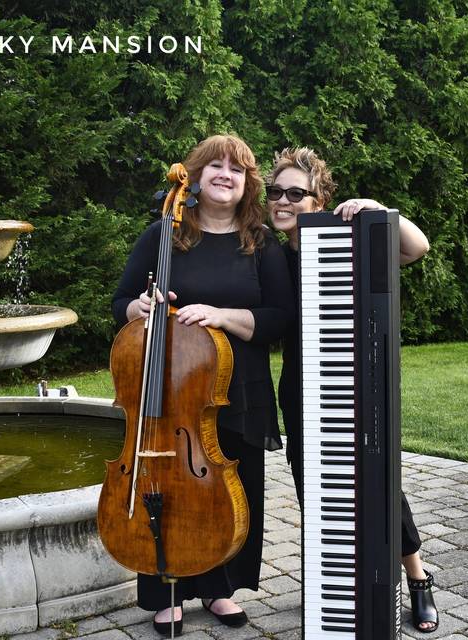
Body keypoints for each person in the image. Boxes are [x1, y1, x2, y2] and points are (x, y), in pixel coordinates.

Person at [111, 134, 294, 636]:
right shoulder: (164, 235)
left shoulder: (260, 243)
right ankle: (163, 591)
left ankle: (219, 589)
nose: (225, 174)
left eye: (236, 169)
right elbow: (122, 300)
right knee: (164, 489)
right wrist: (138, 309)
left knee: (229, 491)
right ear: (192, 177)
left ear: (247, 183)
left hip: (237, 388)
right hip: (169, 391)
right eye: (214, 165)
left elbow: (279, 318)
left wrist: (220, 315)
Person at [266, 147, 439, 633]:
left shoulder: (349, 234)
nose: (282, 200)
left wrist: (375, 210)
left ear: (318, 199)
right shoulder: (269, 254)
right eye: (276, 191)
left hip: (357, 379)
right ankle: (335, 584)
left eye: (295, 193)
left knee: (380, 481)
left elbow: (416, 247)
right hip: (300, 386)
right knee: (317, 488)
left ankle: (418, 579)